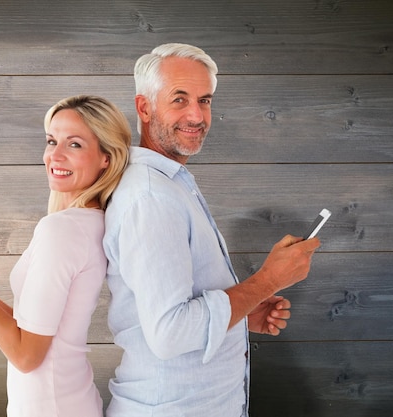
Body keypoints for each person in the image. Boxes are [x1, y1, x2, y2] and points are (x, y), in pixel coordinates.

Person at [102, 43, 321, 416]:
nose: (196, 115)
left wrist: (240, 314)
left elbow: (168, 310)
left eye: (204, 100)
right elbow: (170, 332)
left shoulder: (168, 184)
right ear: (144, 108)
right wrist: (266, 281)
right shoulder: (152, 196)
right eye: (180, 99)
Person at [0, 95, 131, 417]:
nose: (55, 155)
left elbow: (26, 356)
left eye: (74, 144)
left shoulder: (62, 230)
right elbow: (34, 328)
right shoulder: (90, 223)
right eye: (52, 141)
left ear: (106, 157)